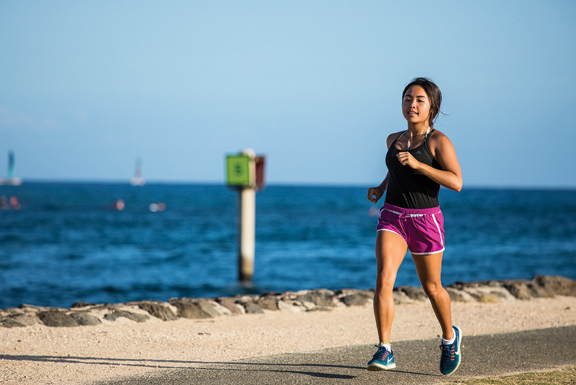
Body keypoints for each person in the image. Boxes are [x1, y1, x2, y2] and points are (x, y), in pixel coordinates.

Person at [366, 77, 463, 376]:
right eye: (408, 98)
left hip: (425, 221)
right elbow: (396, 169)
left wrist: (420, 165)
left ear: (432, 106)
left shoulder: (438, 141)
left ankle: (449, 338)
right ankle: (385, 348)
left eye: (420, 99)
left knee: (432, 288)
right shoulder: (393, 139)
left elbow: (456, 182)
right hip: (393, 216)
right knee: (384, 277)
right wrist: (382, 187)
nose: (413, 104)